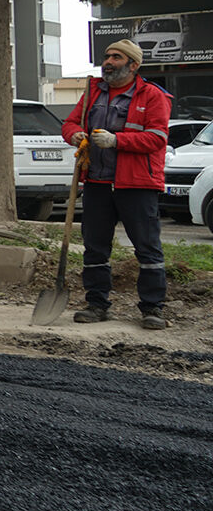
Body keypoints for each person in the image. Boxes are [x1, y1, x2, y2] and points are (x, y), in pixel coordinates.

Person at [61, 39, 173, 329]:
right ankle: (97, 304)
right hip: (97, 181)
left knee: (147, 248)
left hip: (137, 185)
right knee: (95, 247)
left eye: (116, 57)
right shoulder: (92, 92)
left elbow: (158, 138)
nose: (108, 61)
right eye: (107, 56)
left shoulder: (152, 96)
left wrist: (117, 140)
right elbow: (70, 123)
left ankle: (153, 308)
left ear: (133, 65)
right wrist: (74, 135)